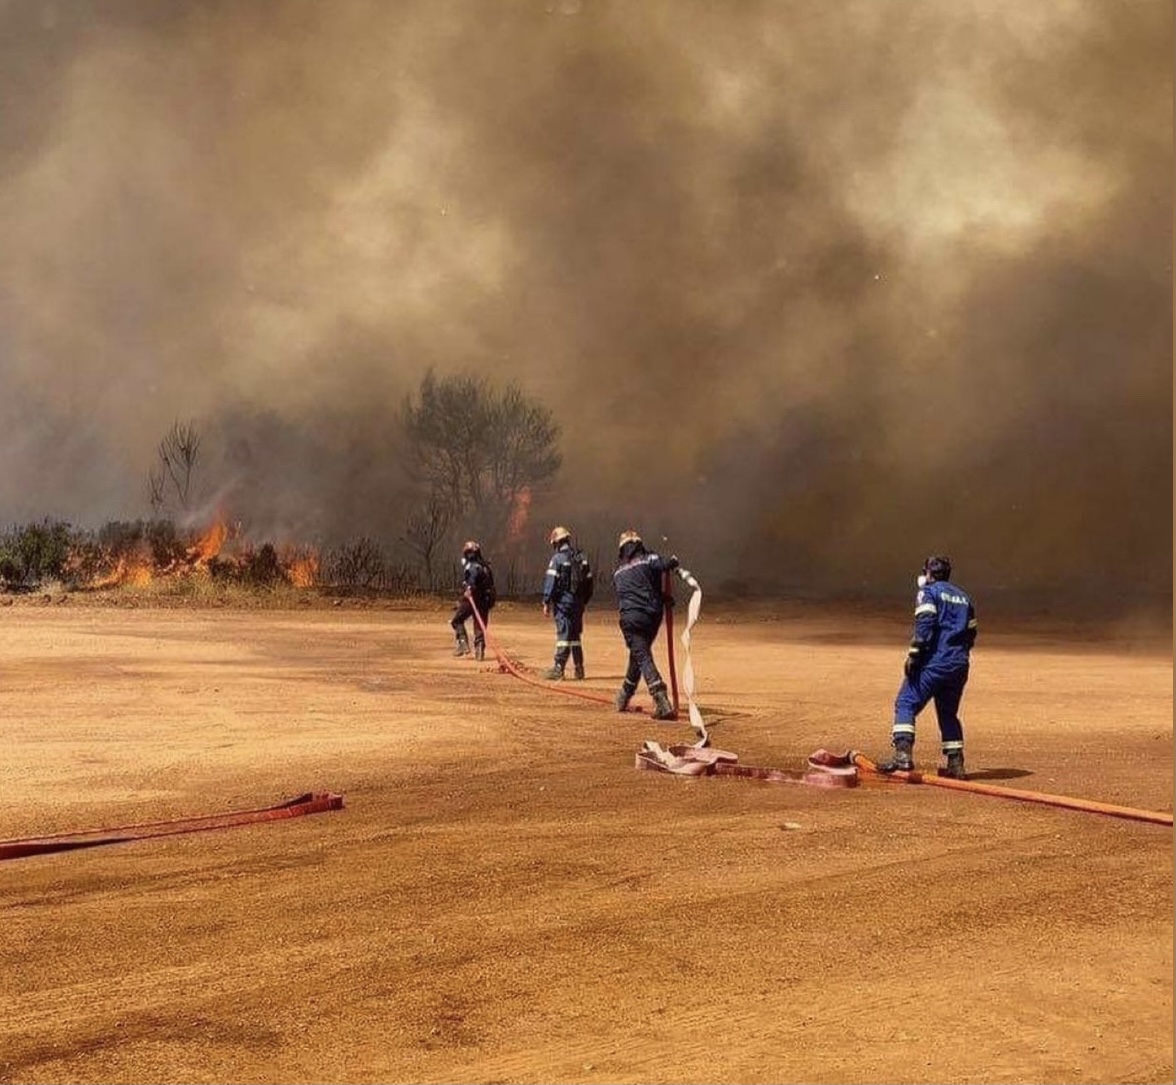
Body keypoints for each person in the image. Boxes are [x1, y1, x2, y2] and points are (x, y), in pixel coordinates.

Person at [877, 555, 978, 779]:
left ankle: (902, 756)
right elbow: (971, 632)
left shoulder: (928, 592)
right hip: (959, 665)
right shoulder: (964, 597)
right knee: (948, 713)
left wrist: (914, 654)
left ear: (929, 574)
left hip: (934, 662)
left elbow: (925, 623)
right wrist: (958, 654)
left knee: (906, 702)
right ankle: (956, 764)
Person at [612, 530, 678, 720]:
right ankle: (624, 695)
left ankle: (660, 698)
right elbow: (660, 568)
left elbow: (635, 589)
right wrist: (673, 561)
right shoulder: (649, 558)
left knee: (641, 654)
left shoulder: (618, 572)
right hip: (651, 617)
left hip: (631, 618)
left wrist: (662, 597)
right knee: (640, 654)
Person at [541, 526, 594, 680]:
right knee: (575, 636)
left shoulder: (557, 559)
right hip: (578, 604)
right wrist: (583, 601)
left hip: (563, 603)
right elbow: (589, 583)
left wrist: (546, 602)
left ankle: (559, 668)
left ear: (556, 542)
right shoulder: (582, 558)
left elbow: (551, 582)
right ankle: (579, 668)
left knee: (564, 635)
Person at [450, 539, 496, 661]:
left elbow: (472, 578)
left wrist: (469, 588)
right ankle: (479, 651)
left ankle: (463, 644)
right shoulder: (486, 566)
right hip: (485, 601)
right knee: (479, 626)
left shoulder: (472, 566)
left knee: (457, 620)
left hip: (473, 599)